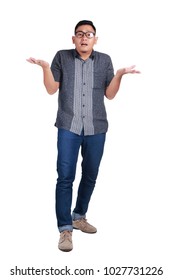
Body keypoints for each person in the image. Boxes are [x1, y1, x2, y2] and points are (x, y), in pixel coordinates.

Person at [27, 20, 140, 252]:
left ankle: (79, 216)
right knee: (65, 177)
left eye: (89, 34)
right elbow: (51, 89)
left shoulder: (105, 60)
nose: (84, 38)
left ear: (95, 39)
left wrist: (119, 75)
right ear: (73, 39)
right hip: (68, 126)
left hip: (96, 128)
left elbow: (110, 95)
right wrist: (45, 68)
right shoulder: (62, 57)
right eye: (80, 34)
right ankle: (65, 228)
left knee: (90, 175)